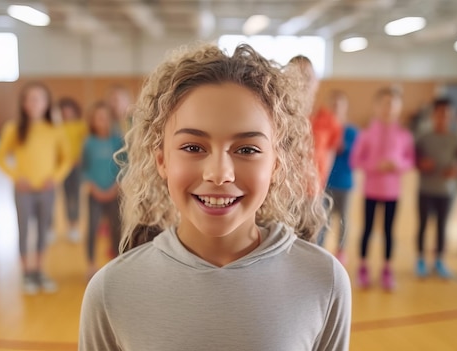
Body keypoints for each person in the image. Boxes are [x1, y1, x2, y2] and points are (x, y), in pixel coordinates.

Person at [79, 44, 351, 351]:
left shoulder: (323, 281)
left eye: (247, 149)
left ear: (276, 164)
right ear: (162, 161)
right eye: (193, 147)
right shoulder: (112, 290)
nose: (220, 174)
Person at [0, 82, 70, 295]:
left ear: (47, 103)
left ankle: (38, 270)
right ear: (23, 103)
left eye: (40, 98)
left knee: (43, 230)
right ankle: (26, 272)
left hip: (47, 189)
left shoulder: (55, 130)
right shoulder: (13, 129)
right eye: (30, 98)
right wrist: (16, 177)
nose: (35, 103)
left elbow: (66, 159)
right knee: (24, 229)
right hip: (23, 190)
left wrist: (54, 178)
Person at [350, 87, 415, 290]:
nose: (389, 108)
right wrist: (375, 166)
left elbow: (410, 160)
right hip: (371, 190)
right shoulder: (367, 133)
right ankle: (363, 267)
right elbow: (355, 160)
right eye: (385, 103)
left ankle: (387, 269)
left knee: (389, 231)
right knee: (367, 230)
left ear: (399, 107)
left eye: (393, 104)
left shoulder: (403, 135)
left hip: (393, 192)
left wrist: (398, 166)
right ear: (377, 106)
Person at [415, 98, 457, 279]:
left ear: (451, 116)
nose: (443, 117)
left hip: (446, 191)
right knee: (423, 225)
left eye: (447, 114)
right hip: (426, 189)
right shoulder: (424, 137)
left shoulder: (455, 138)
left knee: (442, 227)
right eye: (440, 113)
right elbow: (414, 159)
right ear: (433, 114)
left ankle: (439, 260)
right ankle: (420, 259)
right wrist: (421, 164)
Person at [81, 101, 124, 279]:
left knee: (116, 229)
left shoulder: (118, 141)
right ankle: (91, 264)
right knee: (92, 229)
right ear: (92, 121)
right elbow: (84, 168)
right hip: (94, 194)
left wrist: (115, 188)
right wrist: (93, 188)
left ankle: (116, 263)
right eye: (98, 118)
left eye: (105, 118)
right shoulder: (89, 143)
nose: (102, 121)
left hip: (115, 193)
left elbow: (123, 166)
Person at [287, 55, 342, 188]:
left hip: (314, 192)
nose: (302, 83)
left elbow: (330, 153)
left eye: (307, 77)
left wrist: (321, 183)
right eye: (296, 77)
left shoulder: (329, 120)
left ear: (316, 82)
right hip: (284, 192)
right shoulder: (279, 118)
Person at [322, 91, 357, 262]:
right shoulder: (324, 128)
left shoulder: (350, 131)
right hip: (325, 183)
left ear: (345, 107)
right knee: (324, 220)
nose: (336, 108)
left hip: (344, 183)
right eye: (333, 104)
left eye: (339, 105)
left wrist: (341, 145)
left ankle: (341, 251)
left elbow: (355, 156)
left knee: (343, 219)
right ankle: (320, 248)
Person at [59, 97, 88, 242]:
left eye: (69, 111)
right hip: (63, 167)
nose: (66, 114)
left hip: (77, 166)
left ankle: (75, 226)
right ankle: (68, 225)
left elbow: (85, 144)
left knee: (75, 196)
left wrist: (80, 159)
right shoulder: (58, 127)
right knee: (65, 196)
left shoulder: (81, 126)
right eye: (63, 111)